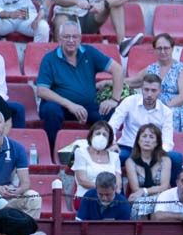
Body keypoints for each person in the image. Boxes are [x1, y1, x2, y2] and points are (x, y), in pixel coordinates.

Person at [34, 18, 123, 149]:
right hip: (60, 105)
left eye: (74, 37)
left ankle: (103, 150)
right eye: (67, 37)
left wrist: (114, 99)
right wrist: (70, 105)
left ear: (80, 38)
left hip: (87, 106)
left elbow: (118, 69)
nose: (71, 40)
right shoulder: (49, 59)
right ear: (59, 38)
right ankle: (51, 149)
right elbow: (41, 90)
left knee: (110, 112)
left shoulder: (89, 52)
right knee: (51, 111)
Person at [108, 75, 182, 178]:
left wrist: (157, 154)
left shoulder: (166, 112)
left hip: (153, 150)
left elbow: (168, 141)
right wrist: (112, 143)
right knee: (114, 157)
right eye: (146, 90)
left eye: (153, 90)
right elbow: (112, 125)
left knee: (177, 158)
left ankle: (171, 191)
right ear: (141, 89)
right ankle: (118, 192)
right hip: (129, 148)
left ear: (160, 91)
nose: (149, 94)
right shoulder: (129, 102)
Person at [51, 0, 140, 55]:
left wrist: (104, 4)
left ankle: (122, 43)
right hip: (68, 14)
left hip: (92, 15)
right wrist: (76, 2)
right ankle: (60, 57)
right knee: (61, 21)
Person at [126, 34, 183, 133]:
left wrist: (163, 108)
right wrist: (109, 82)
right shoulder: (152, 68)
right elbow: (134, 81)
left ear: (172, 48)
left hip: (176, 108)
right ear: (154, 50)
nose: (163, 52)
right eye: (159, 48)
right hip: (153, 106)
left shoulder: (181, 69)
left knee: (168, 116)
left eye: (166, 48)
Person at [124, 122, 172, 219]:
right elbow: (135, 189)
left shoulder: (165, 160)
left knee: (158, 204)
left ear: (157, 142)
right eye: (144, 136)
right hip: (141, 199)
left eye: (151, 137)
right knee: (139, 204)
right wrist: (144, 193)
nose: (147, 140)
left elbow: (164, 187)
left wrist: (144, 191)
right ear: (138, 140)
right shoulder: (130, 162)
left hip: (161, 198)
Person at [70, 119, 119, 200]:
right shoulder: (80, 152)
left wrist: (108, 193)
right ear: (91, 136)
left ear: (109, 139)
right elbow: (82, 180)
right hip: (86, 197)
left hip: (110, 198)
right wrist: (105, 189)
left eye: (104, 135)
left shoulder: (114, 156)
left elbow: (118, 182)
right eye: (98, 133)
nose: (101, 136)